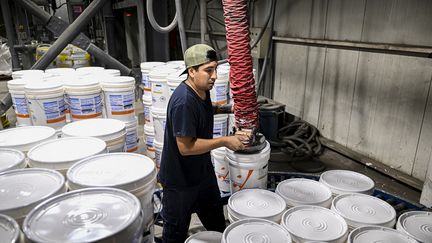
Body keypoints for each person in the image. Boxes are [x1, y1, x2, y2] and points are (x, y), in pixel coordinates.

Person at [158, 44, 245, 243]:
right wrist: (225, 141)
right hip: (180, 181)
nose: (214, 76)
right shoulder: (184, 102)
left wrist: (228, 109)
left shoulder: (202, 89)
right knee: (175, 234)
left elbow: (205, 110)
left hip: (202, 174)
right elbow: (186, 148)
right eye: (208, 70)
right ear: (191, 71)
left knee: (216, 223)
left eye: (215, 69)